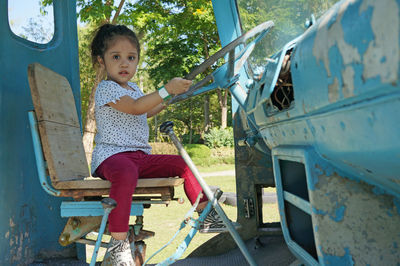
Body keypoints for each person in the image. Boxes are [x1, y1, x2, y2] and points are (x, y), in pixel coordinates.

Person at [90, 24, 227, 265]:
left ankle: (207, 215)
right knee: (126, 172)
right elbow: (135, 108)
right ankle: (117, 245)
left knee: (181, 163)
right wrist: (165, 90)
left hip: (139, 156)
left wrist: (168, 98)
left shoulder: (133, 88)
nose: (124, 64)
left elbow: (146, 110)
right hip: (112, 156)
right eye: (116, 57)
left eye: (131, 58)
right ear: (101, 61)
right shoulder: (106, 89)